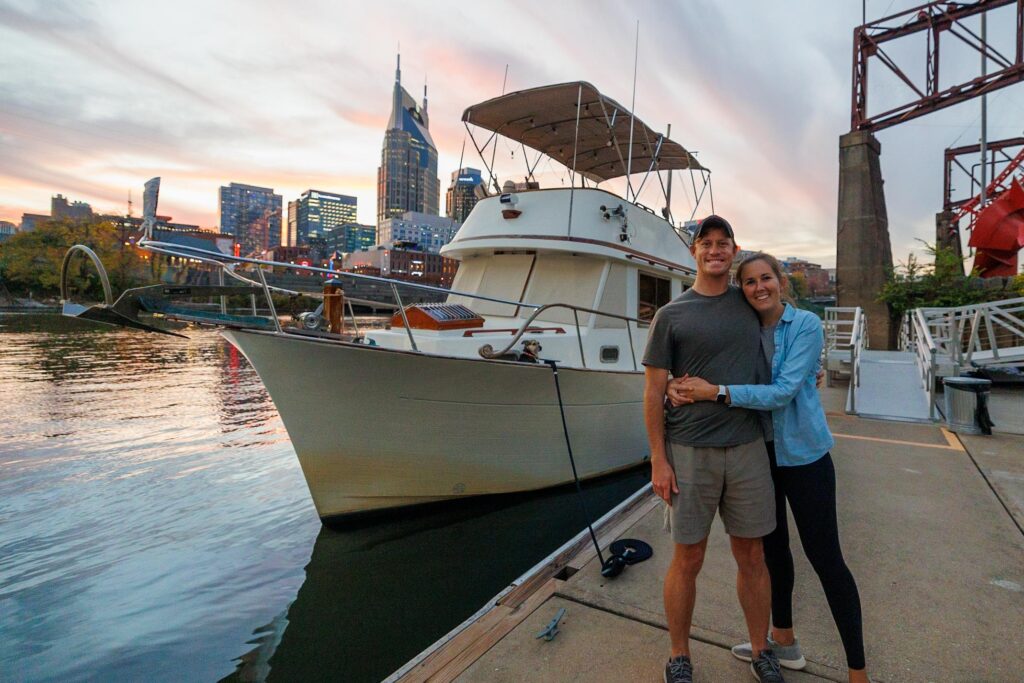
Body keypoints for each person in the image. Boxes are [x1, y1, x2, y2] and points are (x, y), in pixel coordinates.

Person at [668, 252, 870, 683]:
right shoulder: (745, 325)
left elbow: (779, 393)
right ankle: (784, 642)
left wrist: (714, 392)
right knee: (772, 555)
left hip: (804, 457)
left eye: (767, 278)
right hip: (760, 455)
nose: (759, 287)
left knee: (826, 559)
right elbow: (705, 357)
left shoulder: (806, 326)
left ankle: (858, 672)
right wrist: (671, 381)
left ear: (781, 281)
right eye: (750, 281)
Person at [643, 216, 785, 683]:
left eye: (724, 244)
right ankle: (678, 655)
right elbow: (653, 390)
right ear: (695, 252)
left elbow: (783, 339)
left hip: (746, 447)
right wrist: (658, 460)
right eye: (707, 244)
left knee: (753, 557)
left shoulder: (751, 302)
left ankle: (762, 648)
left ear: (734, 249)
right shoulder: (672, 315)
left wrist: (809, 372)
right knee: (689, 558)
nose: (715, 251)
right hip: (689, 450)